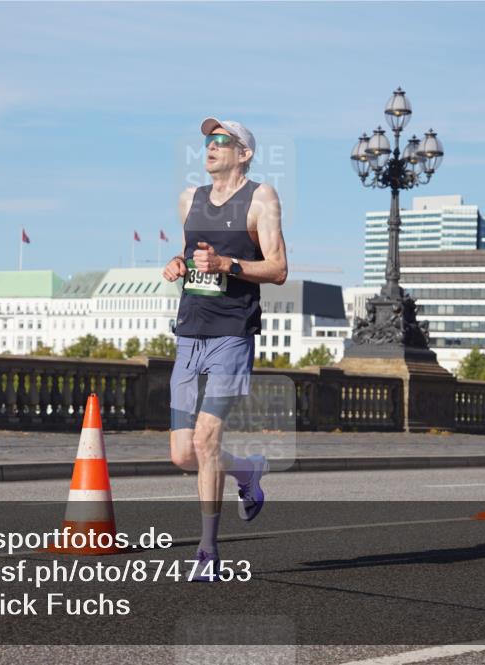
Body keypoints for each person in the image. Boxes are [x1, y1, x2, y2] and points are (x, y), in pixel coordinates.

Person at [161, 117, 287, 581]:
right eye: (208, 141)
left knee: (206, 439)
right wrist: (177, 264)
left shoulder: (261, 197)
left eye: (221, 141)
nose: (210, 147)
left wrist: (227, 263)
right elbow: (189, 253)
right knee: (181, 453)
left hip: (233, 334)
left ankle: (208, 553)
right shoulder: (188, 199)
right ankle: (248, 472)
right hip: (189, 333)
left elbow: (277, 269)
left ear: (244, 153)